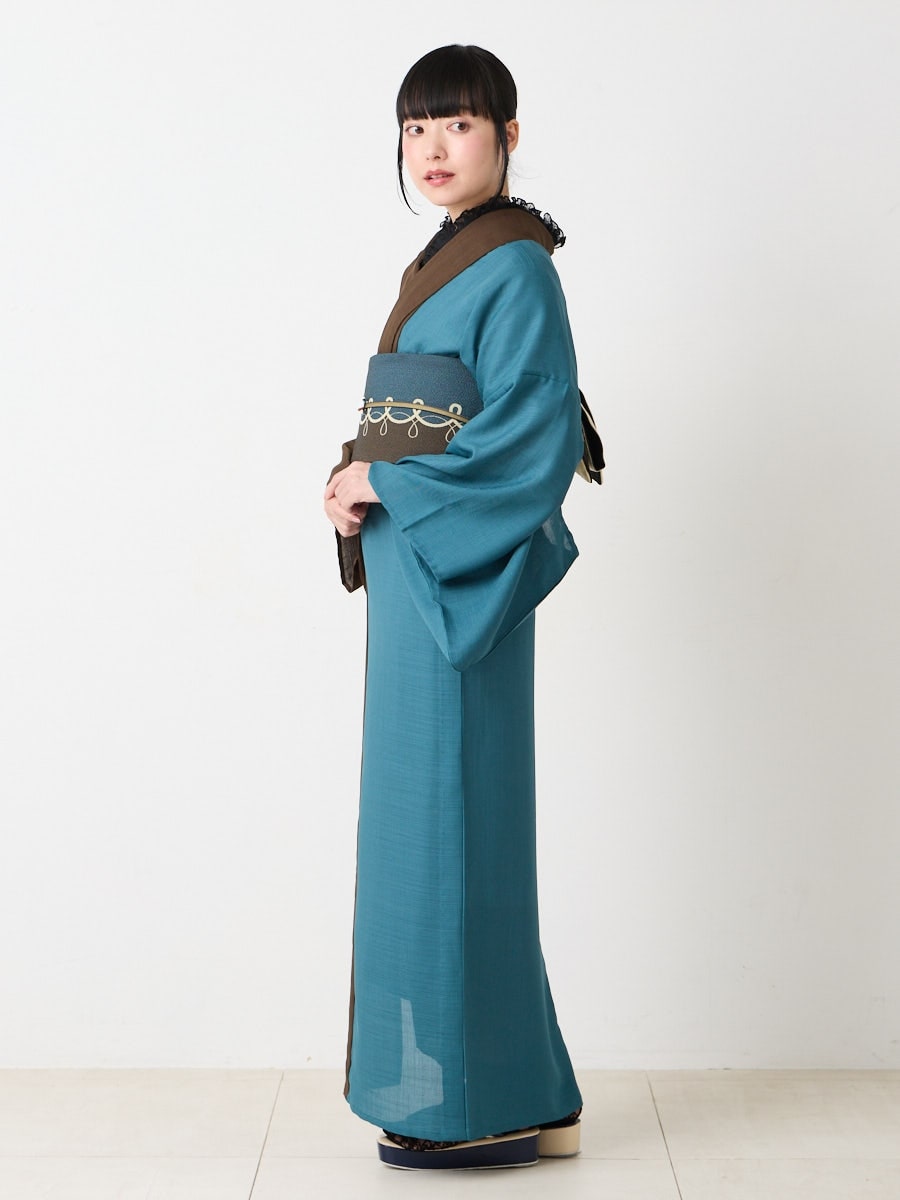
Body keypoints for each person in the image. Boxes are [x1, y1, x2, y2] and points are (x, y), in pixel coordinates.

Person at [324, 43, 591, 1171]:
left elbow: (530, 430)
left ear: (509, 137)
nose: (431, 149)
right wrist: (354, 480)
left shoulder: (517, 266)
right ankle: (522, 1088)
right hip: (416, 570)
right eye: (414, 128)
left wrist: (391, 483)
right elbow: (415, 422)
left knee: (453, 826)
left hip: (456, 581)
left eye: (459, 124)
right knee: (420, 826)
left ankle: (479, 1108)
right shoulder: (448, 255)